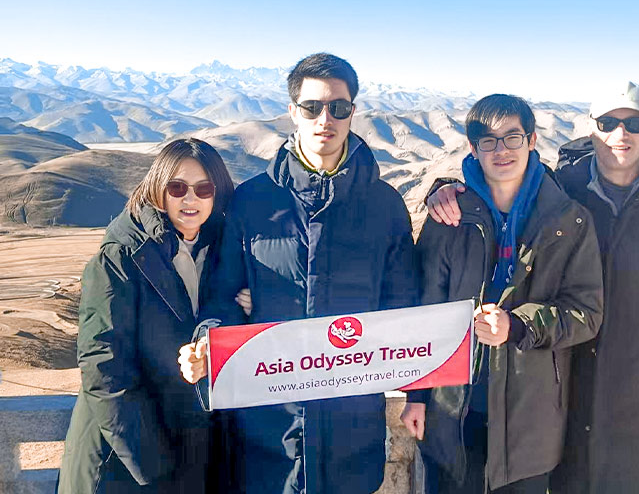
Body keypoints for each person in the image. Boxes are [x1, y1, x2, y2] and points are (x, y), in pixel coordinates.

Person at [426, 82, 639, 494]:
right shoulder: (565, 194)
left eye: (634, 123)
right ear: (591, 129)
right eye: (608, 123)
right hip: (567, 398)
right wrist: (443, 189)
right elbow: (502, 183)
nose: (620, 135)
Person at [179, 53, 418, 494]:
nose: (324, 118)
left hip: (352, 433)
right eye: (311, 107)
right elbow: (222, 297)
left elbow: (406, 309)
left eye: (338, 107)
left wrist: (419, 393)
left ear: (352, 113)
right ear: (293, 112)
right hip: (269, 433)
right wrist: (208, 341)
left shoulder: (384, 207)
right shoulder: (251, 203)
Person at [400, 94, 603, 493]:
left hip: (531, 421)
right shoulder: (449, 218)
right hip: (454, 414)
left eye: (512, 137)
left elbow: (587, 313)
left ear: (531, 141)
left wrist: (518, 324)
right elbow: (425, 310)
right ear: (473, 149)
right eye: (488, 140)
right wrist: (417, 394)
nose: (501, 150)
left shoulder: (569, 221)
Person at [57, 138, 238, 493]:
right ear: (159, 188)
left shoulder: (219, 249)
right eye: (178, 187)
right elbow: (103, 366)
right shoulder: (122, 256)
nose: (190, 199)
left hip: (187, 450)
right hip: (125, 462)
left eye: (204, 188)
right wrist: (154, 465)